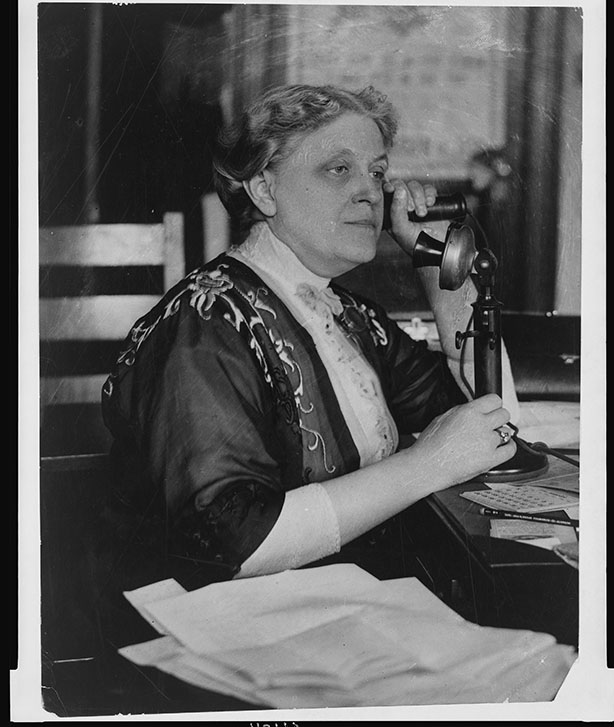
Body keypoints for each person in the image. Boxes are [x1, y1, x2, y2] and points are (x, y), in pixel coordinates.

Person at [101, 83, 520, 584]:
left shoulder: (347, 315)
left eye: (378, 172)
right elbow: (232, 544)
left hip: (340, 606)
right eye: (338, 169)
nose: (370, 190)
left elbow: (490, 425)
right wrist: (426, 465)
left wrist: (436, 261)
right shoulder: (205, 324)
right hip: (211, 632)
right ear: (264, 189)